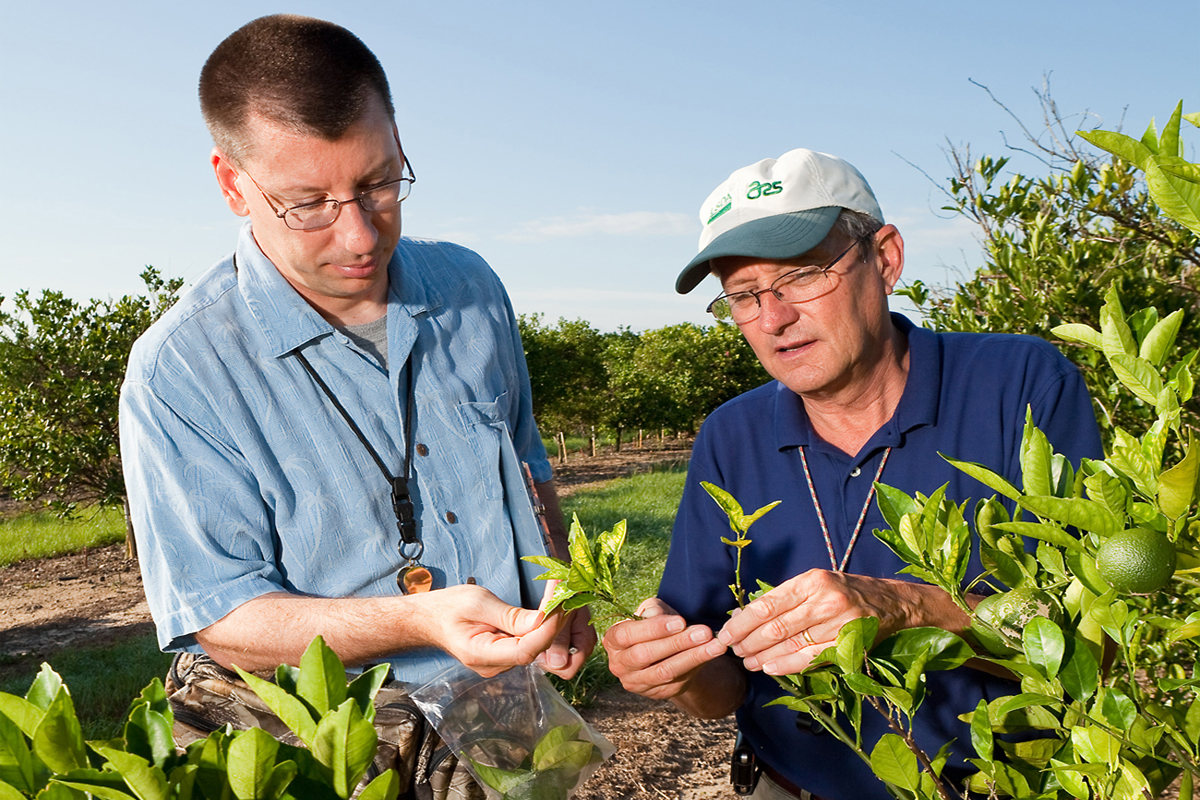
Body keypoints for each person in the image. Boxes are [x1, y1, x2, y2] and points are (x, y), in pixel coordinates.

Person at [119, 13, 592, 710]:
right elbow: (222, 617)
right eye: (308, 203)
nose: (360, 234)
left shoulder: (470, 290)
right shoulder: (181, 370)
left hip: (499, 709)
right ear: (232, 184)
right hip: (315, 731)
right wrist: (416, 620)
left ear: (398, 141)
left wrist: (566, 584)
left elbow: (525, 462)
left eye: (378, 182)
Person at [602, 148, 1102, 800]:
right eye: (745, 295)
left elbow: (1092, 653)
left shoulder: (1021, 386)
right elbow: (719, 693)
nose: (774, 318)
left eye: (803, 275)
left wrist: (904, 606)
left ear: (886, 259)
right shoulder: (732, 434)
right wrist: (673, 669)